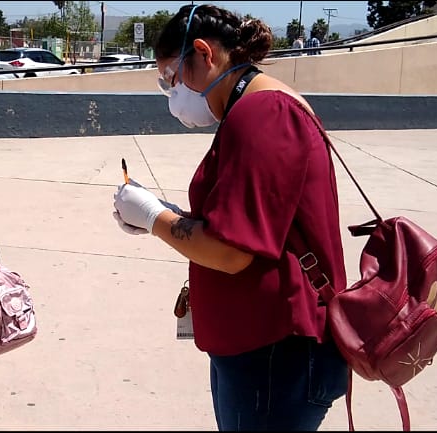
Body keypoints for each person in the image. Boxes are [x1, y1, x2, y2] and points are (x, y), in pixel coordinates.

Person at [112, 4, 348, 431]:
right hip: (261, 347)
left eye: (171, 78)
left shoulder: (263, 114)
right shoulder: (253, 110)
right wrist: (171, 215)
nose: (173, 92)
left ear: (203, 54)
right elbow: (243, 221)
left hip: (275, 351)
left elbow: (231, 250)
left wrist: (151, 217)